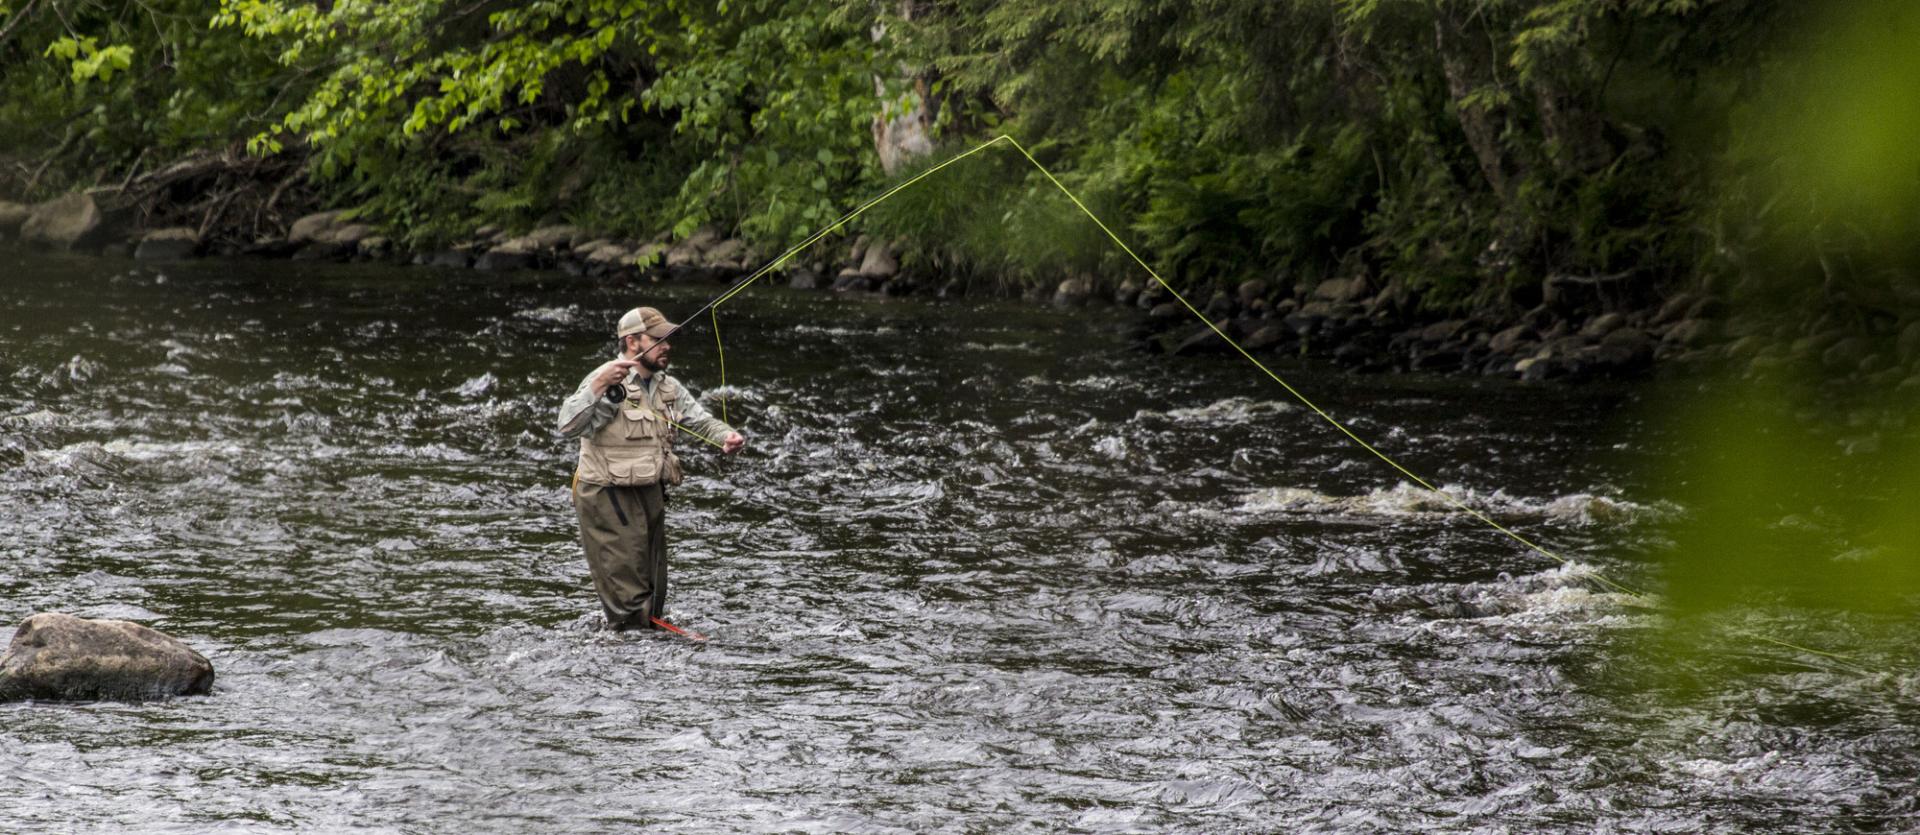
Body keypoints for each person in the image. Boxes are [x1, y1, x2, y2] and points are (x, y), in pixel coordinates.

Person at [558, 306, 745, 631]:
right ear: (632, 342)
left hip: (650, 490)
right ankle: (631, 643)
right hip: (606, 495)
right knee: (625, 586)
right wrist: (599, 384)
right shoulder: (604, 379)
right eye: (659, 339)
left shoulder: (667, 386)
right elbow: (568, 425)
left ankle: (647, 635)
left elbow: (699, 421)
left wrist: (725, 437)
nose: (667, 345)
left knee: (655, 582)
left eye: (669, 338)